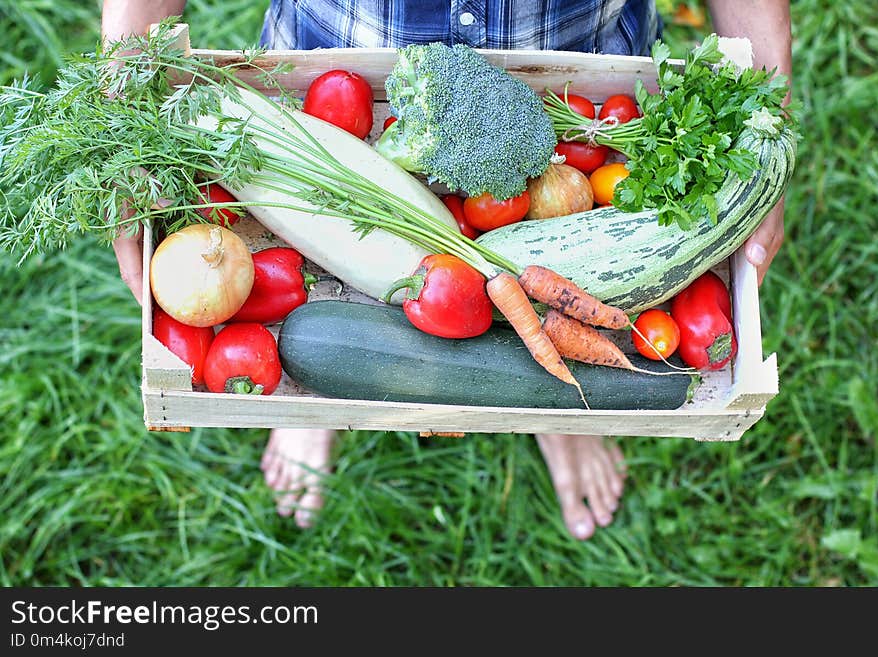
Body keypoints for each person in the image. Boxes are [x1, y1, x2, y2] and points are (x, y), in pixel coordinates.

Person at [103, 0, 791, 539]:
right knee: (320, 319)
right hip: (318, 58)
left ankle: (554, 405)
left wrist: (768, 119)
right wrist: (128, 81)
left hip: (581, 60)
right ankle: (312, 396)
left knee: (527, 327)